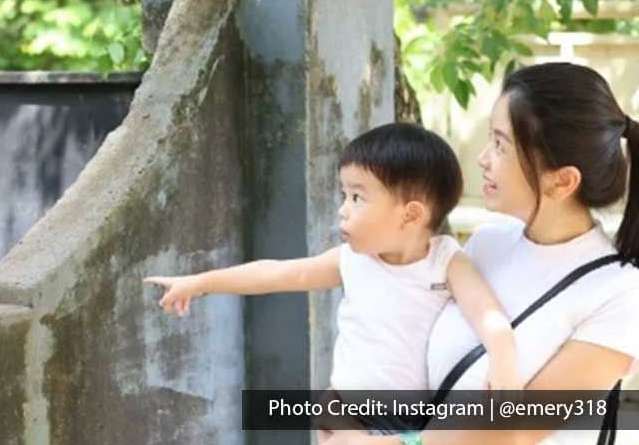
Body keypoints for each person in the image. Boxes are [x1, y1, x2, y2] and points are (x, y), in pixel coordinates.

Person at [319, 62, 639, 445]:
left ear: (562, 180)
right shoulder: (488, 243)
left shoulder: (619, 294)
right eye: (490, 138)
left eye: (501, 145)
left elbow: (518, 430)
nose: (483, 158)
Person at [145, 122, 523, 434]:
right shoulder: (352, 260)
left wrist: (504, 367)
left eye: (358, 198)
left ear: (410, 215)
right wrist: (200, 283)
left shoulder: (446, 261)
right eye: (344, 194)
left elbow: (488, 316)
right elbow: (277, 273)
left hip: (408, 420)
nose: (342, 211)